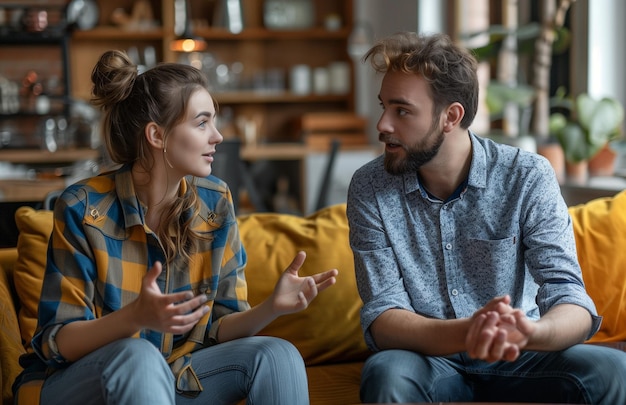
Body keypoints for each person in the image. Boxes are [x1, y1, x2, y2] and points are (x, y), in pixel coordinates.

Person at [13, 50, 338, 405]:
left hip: (172, 376)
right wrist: (134, 318)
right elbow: (57, 341)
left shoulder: (216, 202)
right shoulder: (83, 208)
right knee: (139, 357)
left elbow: (220, 326)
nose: (217, 136)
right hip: (82, 384)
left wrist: (272, 307)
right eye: (202, 123)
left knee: (277, 355)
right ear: (157, 135)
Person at [346, 31, 626, 404]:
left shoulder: (527, 176)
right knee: (387, 375)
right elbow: (384, 316)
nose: (382, 124)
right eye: (384, 107)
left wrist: (528, 332)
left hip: (520, 353)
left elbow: (570, 297)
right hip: (428, 357)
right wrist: (472, 331)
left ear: (451, 116)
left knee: (612, 371)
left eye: (401, 110)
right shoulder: (369, 186)